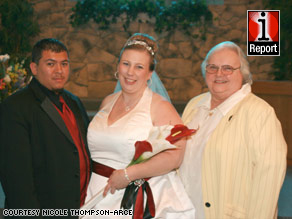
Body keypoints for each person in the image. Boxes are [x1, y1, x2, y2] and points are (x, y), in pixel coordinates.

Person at [84, 33, 195, 218]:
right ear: (118, 66)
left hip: (128, 196)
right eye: (126, 64)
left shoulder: (159, 106)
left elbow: (176, 155)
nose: (130, 72)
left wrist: (130, 174)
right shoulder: (107, 102)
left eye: (139, 67)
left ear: (150, 73)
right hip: (95, 191)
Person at [179, 41, 287, 219]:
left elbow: (269, 177)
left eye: (228, 68)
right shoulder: (194, 105)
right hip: (185, 211)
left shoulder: (260, 113)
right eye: (212, 67)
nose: (219, 74)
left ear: (242, 73)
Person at [0, 38, 91, 215]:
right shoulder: (15, 107)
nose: (59, 70)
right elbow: (17, 181)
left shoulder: (74, 102)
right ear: (34, 68)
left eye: (64, 64)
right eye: (51, 64)